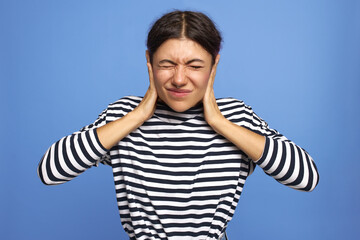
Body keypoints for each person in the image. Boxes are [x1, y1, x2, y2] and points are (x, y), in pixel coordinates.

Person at [38, 10, 319, 240]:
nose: (180, 79)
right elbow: (51, 171)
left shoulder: (237, 116)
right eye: (167, 64)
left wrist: (219, 122)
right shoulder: (122, 114)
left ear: (214, 65)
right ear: (149, 62)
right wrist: (137, 116)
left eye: (195, 66)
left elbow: (306, 178)